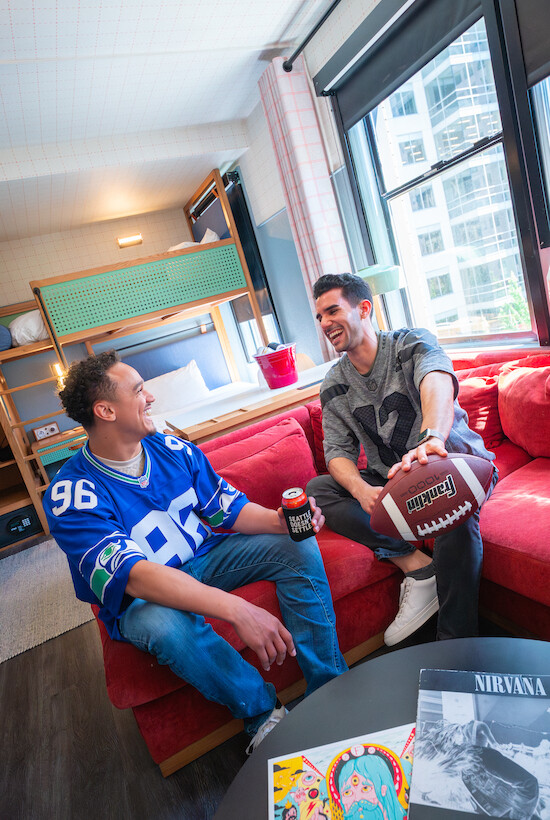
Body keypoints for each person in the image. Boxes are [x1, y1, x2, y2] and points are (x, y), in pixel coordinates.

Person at [43, 351, 347, 754]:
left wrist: (283, 522)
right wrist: (237, 610)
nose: (149, 397)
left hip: (206, 558)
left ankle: (332, 690)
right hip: (145, 594)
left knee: (297, 544)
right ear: (105, 410)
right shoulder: (71, 494)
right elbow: (135, 576)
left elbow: (229, 508)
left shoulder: (173, 449)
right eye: (137, 390)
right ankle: (263, 715)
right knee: (161, 624)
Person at [307, 273, 497, 644]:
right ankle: (417, 566)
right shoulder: (334, 383)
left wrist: (431, 439)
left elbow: (437, 380)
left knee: (451, 509)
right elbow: (336, 452)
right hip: (394, 481)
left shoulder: (411, 342)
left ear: (364, 308)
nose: (325, 323)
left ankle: (454, 648)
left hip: (452, 463)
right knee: (319, 489)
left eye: (332, 311)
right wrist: (362, 490)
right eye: (319, 317)